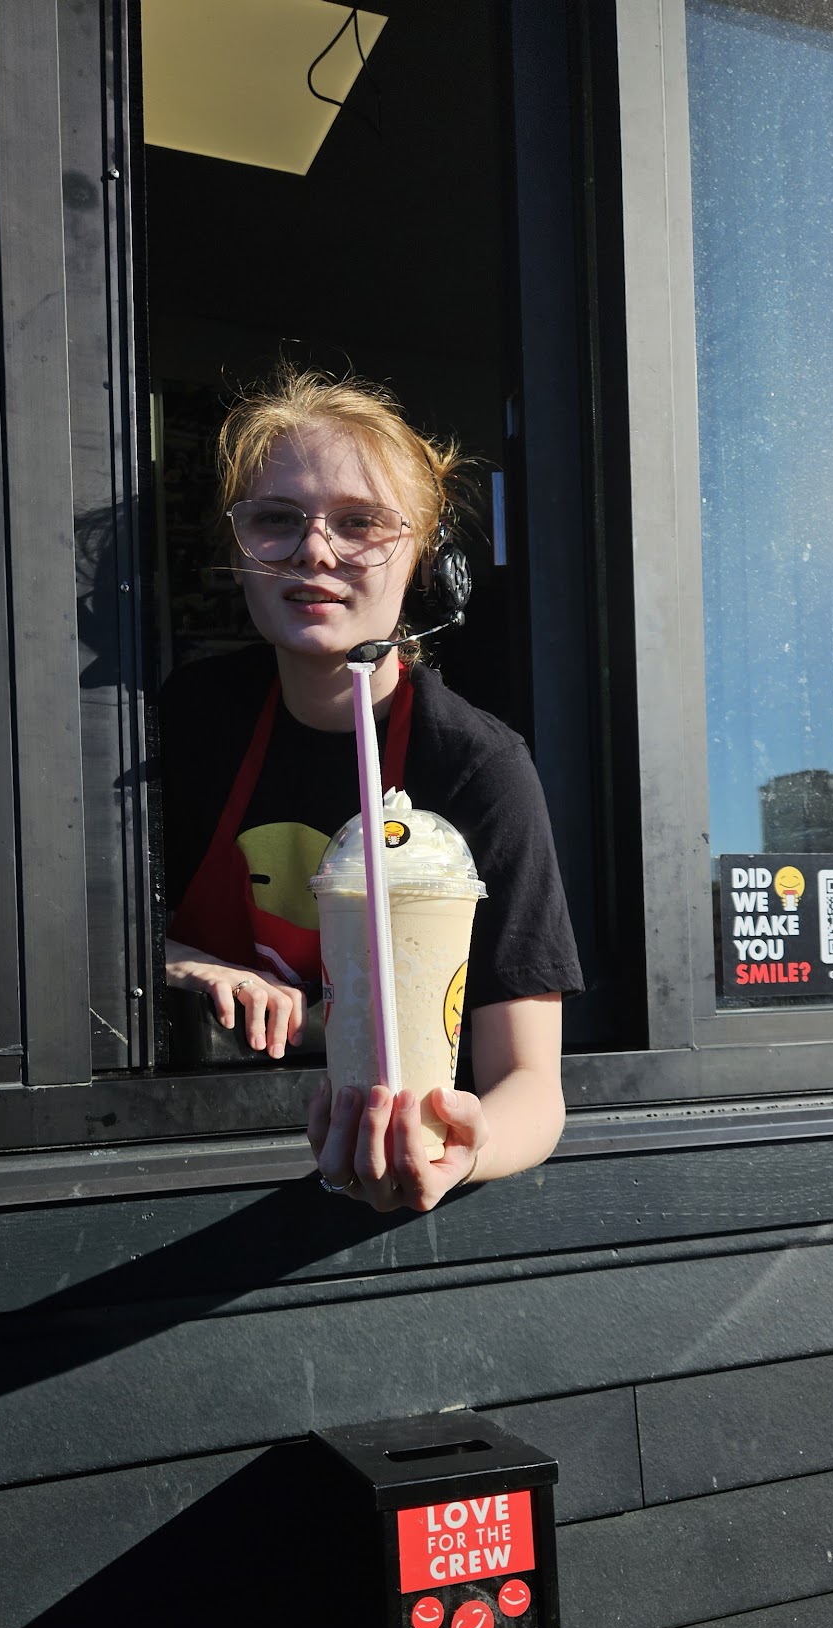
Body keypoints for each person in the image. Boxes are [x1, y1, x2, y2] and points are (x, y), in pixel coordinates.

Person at [161, 368, 583, 1213]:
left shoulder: (478, 766)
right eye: (276, 520)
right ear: (239, 553)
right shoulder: (181, 725)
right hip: (183, 1155)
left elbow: (532, 1087)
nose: (315, 551)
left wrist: (462, 1149)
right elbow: (80, 953)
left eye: (359, 523)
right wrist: (186, 966)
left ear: (421, 555)